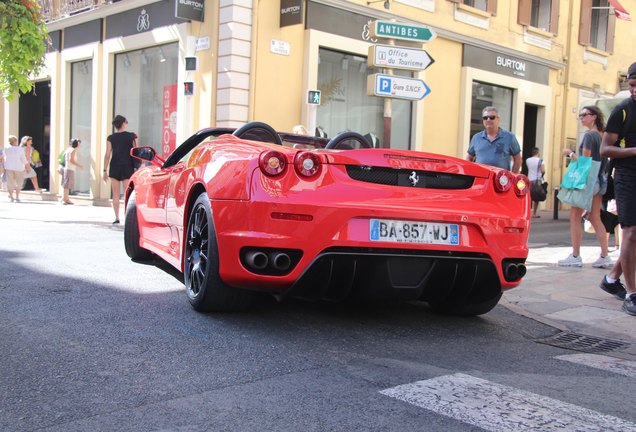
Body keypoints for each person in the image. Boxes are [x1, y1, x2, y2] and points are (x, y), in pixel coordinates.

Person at [599, 61, 636, 316]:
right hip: (626, 175)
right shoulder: (622, 110)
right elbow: (605, 149)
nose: (634, 90)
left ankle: (611, 279)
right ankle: (632, 295)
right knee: (630, 232)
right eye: (632, 85)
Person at [558, 105, 611, 269]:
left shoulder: (589, 136)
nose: (581, 118)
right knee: (595, 218)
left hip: (586, 181)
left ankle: (575, 255)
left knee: (575, 217)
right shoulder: (602, 135)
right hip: (599, 181)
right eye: (580, 115)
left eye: (584, 115)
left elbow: (583, 160)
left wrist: (569, 153)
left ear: (594, 117)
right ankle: (604, 255)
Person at [103, 115, 138, 224]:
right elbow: (136, 152)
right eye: (126, 121)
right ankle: (127, 217)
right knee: (128, 193)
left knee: (116, 194)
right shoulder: (132, 136)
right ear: (123, 123)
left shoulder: (111, 138)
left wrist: (104, 170)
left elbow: (107, 154)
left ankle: (117, 217)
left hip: (114, 166)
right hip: (128, 166)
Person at [466, 106, 522, 173]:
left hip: (500, 180)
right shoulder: (476, 138)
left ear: (498, 119)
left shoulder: (509, 137)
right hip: (480, 179)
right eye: (485, 118)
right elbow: (469, 157)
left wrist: (513, 176)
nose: (488, 120)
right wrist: (470, 173)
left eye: (492, 117)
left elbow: (518, 159)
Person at [3, 135, 29, 202]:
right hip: (19, 167)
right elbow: (23, 158)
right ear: (14, 141)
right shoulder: (20, 149)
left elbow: (4, 157)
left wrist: (4, 166)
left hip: (9, 167)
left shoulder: (6, 148)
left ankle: (11, 197)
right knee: (19, 182)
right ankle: (17, 196)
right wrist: (27, 166)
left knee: (10, 182)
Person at [61, 138, 83, 205]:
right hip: (69, 169)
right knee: (67, 185)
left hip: (67, 168)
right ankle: (64, 199)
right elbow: (71, 160)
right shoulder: (73, 150)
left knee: (66, 184)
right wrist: (79, 165)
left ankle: (66, 198)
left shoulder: (68, 149)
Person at [525, 147, 545, 218]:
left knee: (529, 196)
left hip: (529, 179)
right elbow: (543, 171)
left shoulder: (527, 160)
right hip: (537, 180)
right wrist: (542, 175)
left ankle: (527, 212)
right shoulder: (541, 160)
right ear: (538, 152)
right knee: (536, 196)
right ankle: (534, 213)